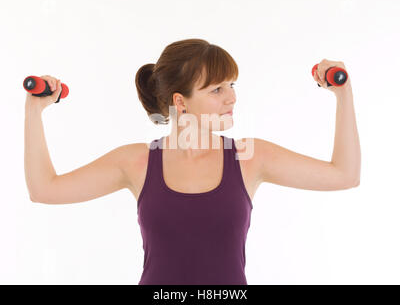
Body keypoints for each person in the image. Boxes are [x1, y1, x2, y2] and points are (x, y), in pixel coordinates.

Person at [24, 38, 361, 285]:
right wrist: (34, 109)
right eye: (216, 89)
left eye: (231, 84)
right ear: (180, 102)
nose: (232, 97)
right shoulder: (137, 161)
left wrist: (342, 93)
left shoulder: (249, 157)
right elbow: (44, 189)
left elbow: (344, 175)